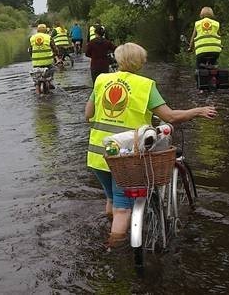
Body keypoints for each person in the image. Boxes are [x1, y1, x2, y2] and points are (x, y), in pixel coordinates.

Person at [84, 43, 217, 247]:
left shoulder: (102, 80)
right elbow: (170, 116)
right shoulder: (145, 85)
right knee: (122, 209)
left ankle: (112, 234)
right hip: (126, 157)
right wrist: (198, 111)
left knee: (112, 201)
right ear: (141, 62)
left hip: (98, 154)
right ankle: (113, 249)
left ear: (118, 60)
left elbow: (88, 115)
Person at [28, 24, 59, 92]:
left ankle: (37, 88)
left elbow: (30, 50)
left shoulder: (32, 38)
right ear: (45, 30)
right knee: (53, 68)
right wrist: (56, 54)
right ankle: (50, 81)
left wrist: (33, 57)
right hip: (48, 62)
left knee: (36, 79)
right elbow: (55, 49)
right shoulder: (48, 37)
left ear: (37, 30)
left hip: (36, 63)